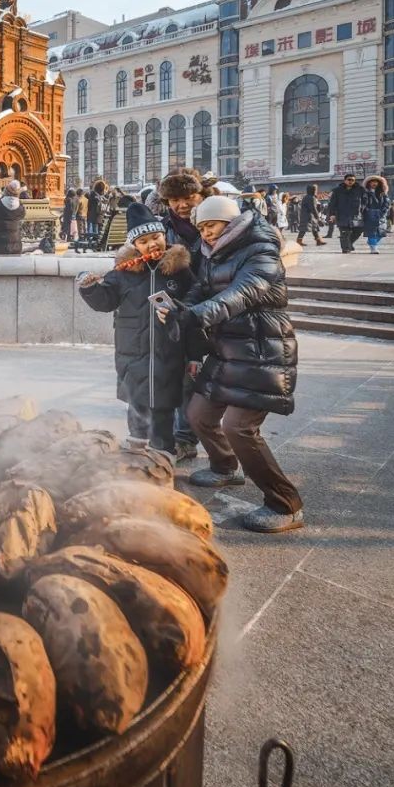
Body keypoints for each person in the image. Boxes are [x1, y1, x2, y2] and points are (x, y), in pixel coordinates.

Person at [159, 194, 302, 534]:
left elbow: (241, 294)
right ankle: (225, 467)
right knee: (198, 414)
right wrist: (180, 307)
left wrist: (194, 316)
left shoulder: (261, 250)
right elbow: (203, 289)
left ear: (229, 221)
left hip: (263, 350)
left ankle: (286, 504)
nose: (205, 234)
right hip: (227, 349)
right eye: (202, 228)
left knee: (239, 427)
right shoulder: (212, 252)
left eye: (210, 226)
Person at [77, 203, 194, 455]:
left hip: (169, 353)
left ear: (165, 236)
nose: (152, 244)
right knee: (137, 403)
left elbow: (195, 300)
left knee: (163, 408)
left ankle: (164, 456)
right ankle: (137, 454)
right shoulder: (123, 274)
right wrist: (89, 288)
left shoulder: (180, 271)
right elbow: (105, 301)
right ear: (134, 246)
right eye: (143, 241)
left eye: (156, 237)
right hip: (132, 353)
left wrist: (180, 311)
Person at [157, 171, 205, 463]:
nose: (182, 205)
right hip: (177, 309)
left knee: (199, 374)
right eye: (174, 200)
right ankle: (184, 438)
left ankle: (197, 431)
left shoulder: (213, 224)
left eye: (188, 197)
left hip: (209, 307)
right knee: (183, 375)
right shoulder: (163, 229)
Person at [328, 173, 369, 253]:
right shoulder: (337, 190)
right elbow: (332, 203)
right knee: (344, 233)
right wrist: (332, 214)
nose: (351, 181)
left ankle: (349, 244)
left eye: (353, 180)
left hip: (356, 215)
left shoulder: (360, 189)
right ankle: (345, 248)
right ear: (345, 180)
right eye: (349, 180)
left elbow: (365, 200)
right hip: (342, 214)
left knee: (358, 231)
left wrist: (361, 208)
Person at [0, 177, 25, 255]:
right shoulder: (20, 208)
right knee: (13, 266)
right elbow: (23, 214)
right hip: (15, 244)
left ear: (5, 192)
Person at [362, 175, 389, 255]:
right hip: (369, 215)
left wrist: (383, 211)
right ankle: (373, 248)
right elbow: (363, 203)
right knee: (371, 232)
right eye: (372, 182)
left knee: (381, 233)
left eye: (376, 182)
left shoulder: (383, 193)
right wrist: (366, 211)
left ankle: (371, 241)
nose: (374, 183)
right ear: (368, 183)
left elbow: (387, 203)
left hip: (381, 215)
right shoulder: (365, 193)